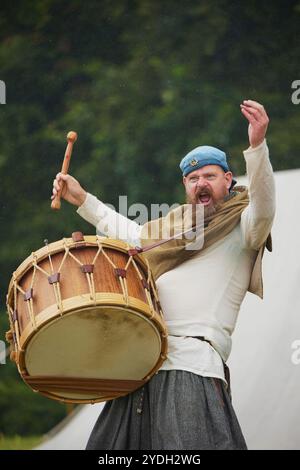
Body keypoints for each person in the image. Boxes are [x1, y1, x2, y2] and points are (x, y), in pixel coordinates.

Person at [52, 99, 275, 450]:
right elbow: (132, 236)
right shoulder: (173, 228)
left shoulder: (244, 226)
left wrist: (257, 147)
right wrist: (82, 199)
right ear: (185, 185)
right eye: (193, 178)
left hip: (192, 367)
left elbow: (264, 206)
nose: (201, 183)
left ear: (228, 179)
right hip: (141, 363)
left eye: (210, 176)